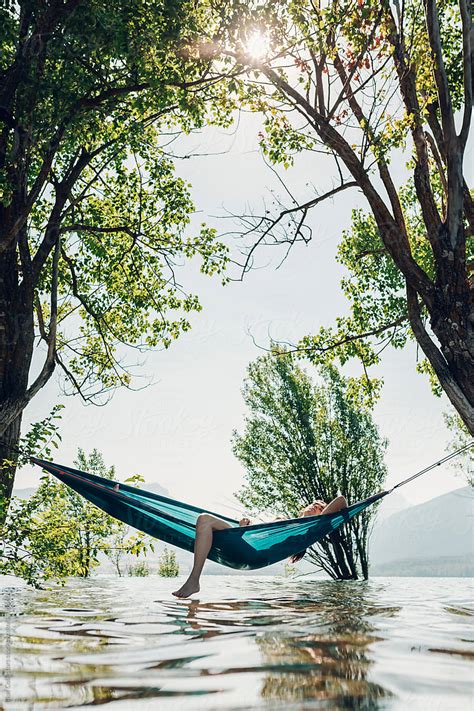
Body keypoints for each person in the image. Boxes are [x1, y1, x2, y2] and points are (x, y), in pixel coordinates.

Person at [172, 494, 348, 598]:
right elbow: (260, 537)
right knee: (203, 521)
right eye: (312, 504)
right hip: (247, 547)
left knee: (204, 519)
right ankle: (194, 580)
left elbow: (341, 500)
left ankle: (194, 580)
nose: (312, 506)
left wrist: (322, 518)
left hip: (254, 555)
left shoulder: (309, 531)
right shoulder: (288, 523)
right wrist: (244, 528)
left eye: (316, 507)